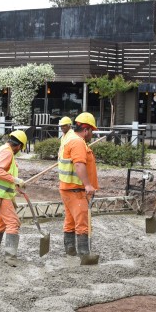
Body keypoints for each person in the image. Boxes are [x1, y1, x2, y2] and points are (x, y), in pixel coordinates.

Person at [58, 111, 99, 264]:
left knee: (70, 221)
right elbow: (79, 164)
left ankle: (70, 250)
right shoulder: (78, 142)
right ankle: (85, 255)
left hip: (67, 188)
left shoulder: (68, 138)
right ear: (86, 129)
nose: (92, 135)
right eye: (92, 131)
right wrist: (88, 185)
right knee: (82, 222)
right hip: (76, 190)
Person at [0, 130, 28, 266]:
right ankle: (10, 257)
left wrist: (14, 192)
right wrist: (15, 180)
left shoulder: (1, 150)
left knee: (1, 221)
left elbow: (3, 175)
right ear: (19, 146)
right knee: (13, 223)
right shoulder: (8, 152)